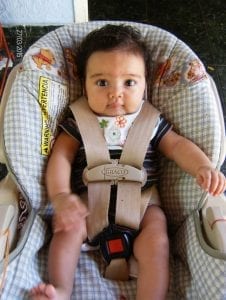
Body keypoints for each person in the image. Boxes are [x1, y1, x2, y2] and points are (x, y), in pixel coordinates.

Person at [31, 24, 226, 300]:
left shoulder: (152, 121)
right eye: (102, 82)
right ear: (84, 86)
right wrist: (62, 197)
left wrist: (203, 167)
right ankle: (61, 289)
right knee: (67, 227)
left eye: (129, 82)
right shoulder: (78, 122)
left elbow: (179, 146)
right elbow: (61, 156)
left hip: (143, 205)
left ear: (145, 85)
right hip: (90, 202)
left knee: (157, 238)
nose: (116, 93)